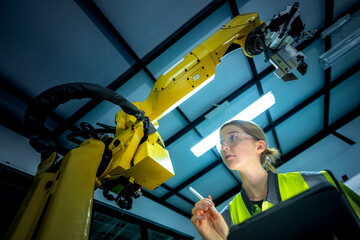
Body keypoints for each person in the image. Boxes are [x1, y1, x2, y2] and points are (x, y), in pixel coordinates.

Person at [190, 120, 360, 240]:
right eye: (221, 143)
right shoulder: (226, 219)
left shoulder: (317, 181)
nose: (224, 147)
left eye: (233, 137)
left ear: (260, 146)